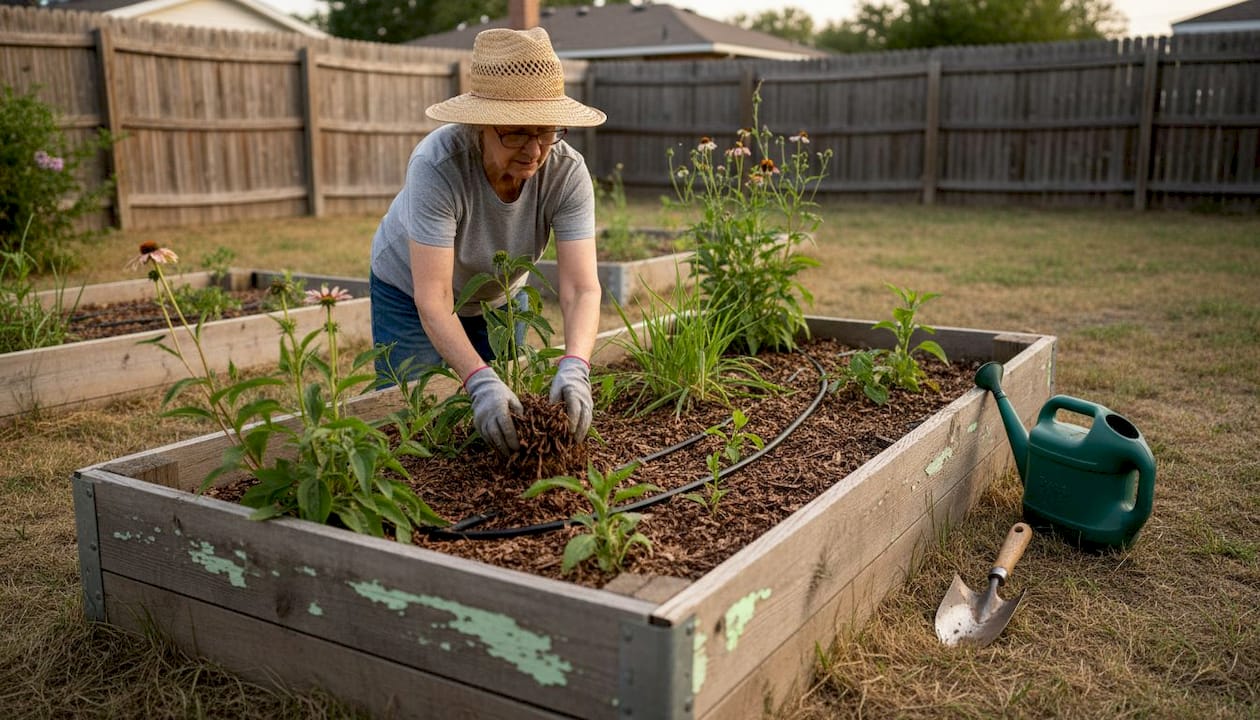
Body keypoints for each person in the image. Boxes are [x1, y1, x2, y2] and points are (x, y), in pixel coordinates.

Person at [369, 27, 606, 457]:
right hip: (409, 290)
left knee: (505, 413)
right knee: (407, 425)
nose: (535, 150)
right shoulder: (438, 166)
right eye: (517, 132)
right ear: (480, 124)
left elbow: (580, 287)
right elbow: (435, 297)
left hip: (500, 293)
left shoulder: (568, 172)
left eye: (547, 130)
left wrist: (575, 365)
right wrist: (476, 380)